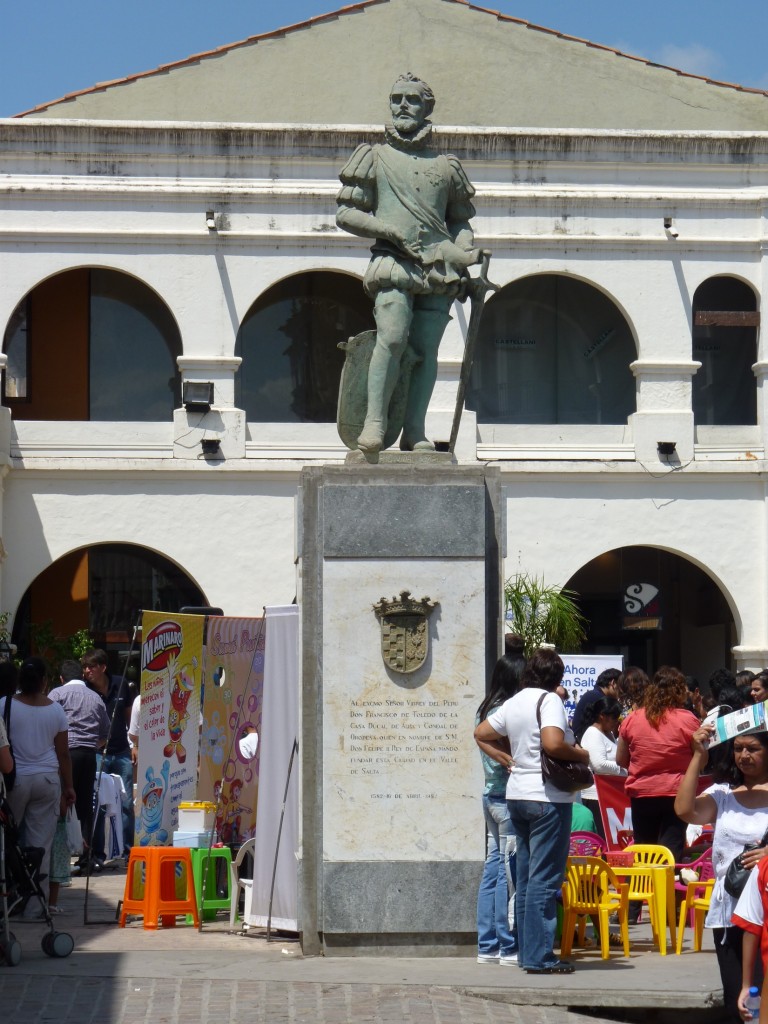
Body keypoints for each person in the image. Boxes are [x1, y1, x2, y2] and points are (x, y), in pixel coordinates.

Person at [336, 73, 480, 454]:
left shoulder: (447, 166)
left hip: (439, 268)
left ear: (426, 108)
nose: (403, 105)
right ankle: (374, 423)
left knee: (426, 351)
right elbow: (347, 213)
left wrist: (465, 253)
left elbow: (460, 222)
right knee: (394, 338)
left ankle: (414, 429)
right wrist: (387, 229)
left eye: (412, 99)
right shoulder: (374, 156)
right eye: (396, 98)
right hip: (394, 261)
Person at [474, 647, 590, 975]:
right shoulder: (548, 700)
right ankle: (540, 957)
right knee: (544, 878)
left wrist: (505, 758)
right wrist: (579, 754)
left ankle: (528, 953)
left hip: (517, 796)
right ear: (556, 676)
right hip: (547, 797)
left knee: (524, 878)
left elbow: (481, 733)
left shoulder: (515, 701)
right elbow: (553, 744)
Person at [675, 724, 768, 1023]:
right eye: (739, 748)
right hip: (728, 910)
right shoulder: (722, 794)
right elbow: (685, 810)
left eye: (753, 748)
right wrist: (697, 756)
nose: (744, 755)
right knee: (736, 1002)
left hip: (764, 911)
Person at [0, 657, 75, 906]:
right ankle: (36, 905)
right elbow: (63, 753)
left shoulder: (5, 704)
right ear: (45, 681)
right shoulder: (55, 710)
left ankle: (8, 899)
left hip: (16, 779)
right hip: (47, 781)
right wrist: (69, 786)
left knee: (6, 841)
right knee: (40, 845)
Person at [616, 665, 699, 861]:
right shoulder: (689, 720)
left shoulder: (632, 719)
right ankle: (666, 891)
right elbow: (700, 757)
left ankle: (644, 890)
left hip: (642, 793)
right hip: (678, 793)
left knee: (644, 850)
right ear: (679, 691)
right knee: (671, 850)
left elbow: (621, 759)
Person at [474, 653, 524, 965]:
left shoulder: (484, 709)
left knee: (492, 870)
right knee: (508, 873)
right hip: (506, 798)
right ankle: (507, 945)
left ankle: (486, 944)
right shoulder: (504, 712)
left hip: (490, 797)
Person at [48, 658, 110, 861]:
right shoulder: (96, 697)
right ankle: (86, 857)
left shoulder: (56, 694)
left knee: (61, 801)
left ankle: (61, 856)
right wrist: (92, 744)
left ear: (61, 678)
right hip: (89, 755)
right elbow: (105, 732)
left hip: (65, 754)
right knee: (85, 805)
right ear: (82, 675)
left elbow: (48, 725)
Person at [82, 648, 134, 853]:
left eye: (91, 666)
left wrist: (133, 745)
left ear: (103, 667)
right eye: (84, 667)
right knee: (98, 804)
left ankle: (129, 850)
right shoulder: (85, 690)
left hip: (121, 751)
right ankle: (97, 853)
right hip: (96, 752)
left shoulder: (121, 684)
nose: (86, 671)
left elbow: (130, 718)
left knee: (127, 803)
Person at [579, 696, 627, 838]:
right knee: (602, 837)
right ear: (602, 716)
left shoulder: (610, 734)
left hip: (610, 794)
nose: (616, 722)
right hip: (595, 796)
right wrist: (624, 770)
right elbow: (599, 764)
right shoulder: (593, 733)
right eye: (614, 718)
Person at [570, 668, 621, 743]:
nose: (623, 691)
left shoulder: (594, 695)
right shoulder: (598, 699)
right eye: (621, 686)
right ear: (613, 683)